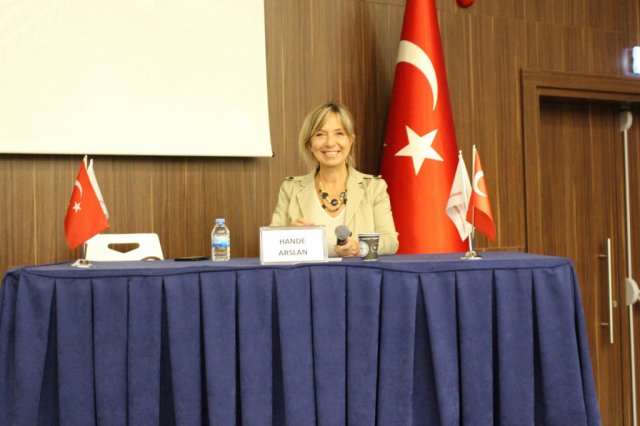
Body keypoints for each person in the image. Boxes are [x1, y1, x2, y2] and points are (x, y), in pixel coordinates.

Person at [270, 101, 399, 257]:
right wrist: (289, 236)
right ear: (309, 144)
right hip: (307, 273)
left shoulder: (374, 187)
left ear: (351, 140)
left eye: (339, 133)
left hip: (357, 272)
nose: (330, 143)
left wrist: (361, 248)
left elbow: (391, 242)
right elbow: (270, 245)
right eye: (320, 134)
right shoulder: (291, 188)